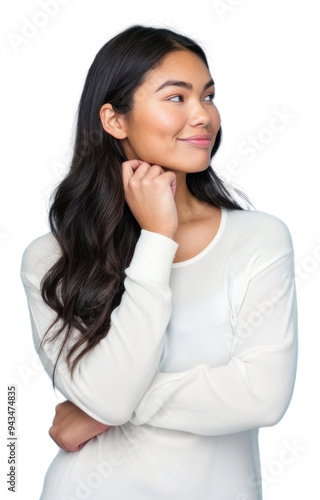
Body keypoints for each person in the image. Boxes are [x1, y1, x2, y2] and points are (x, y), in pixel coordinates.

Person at [21, 25, 297, 500]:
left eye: (208, 96)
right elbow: (110, 394)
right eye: (177, 98)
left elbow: (263, 395)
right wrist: (156, 238)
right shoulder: (52, 259)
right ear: (115, 120)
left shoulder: (258, 240)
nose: (203, 116)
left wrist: (99, 413)